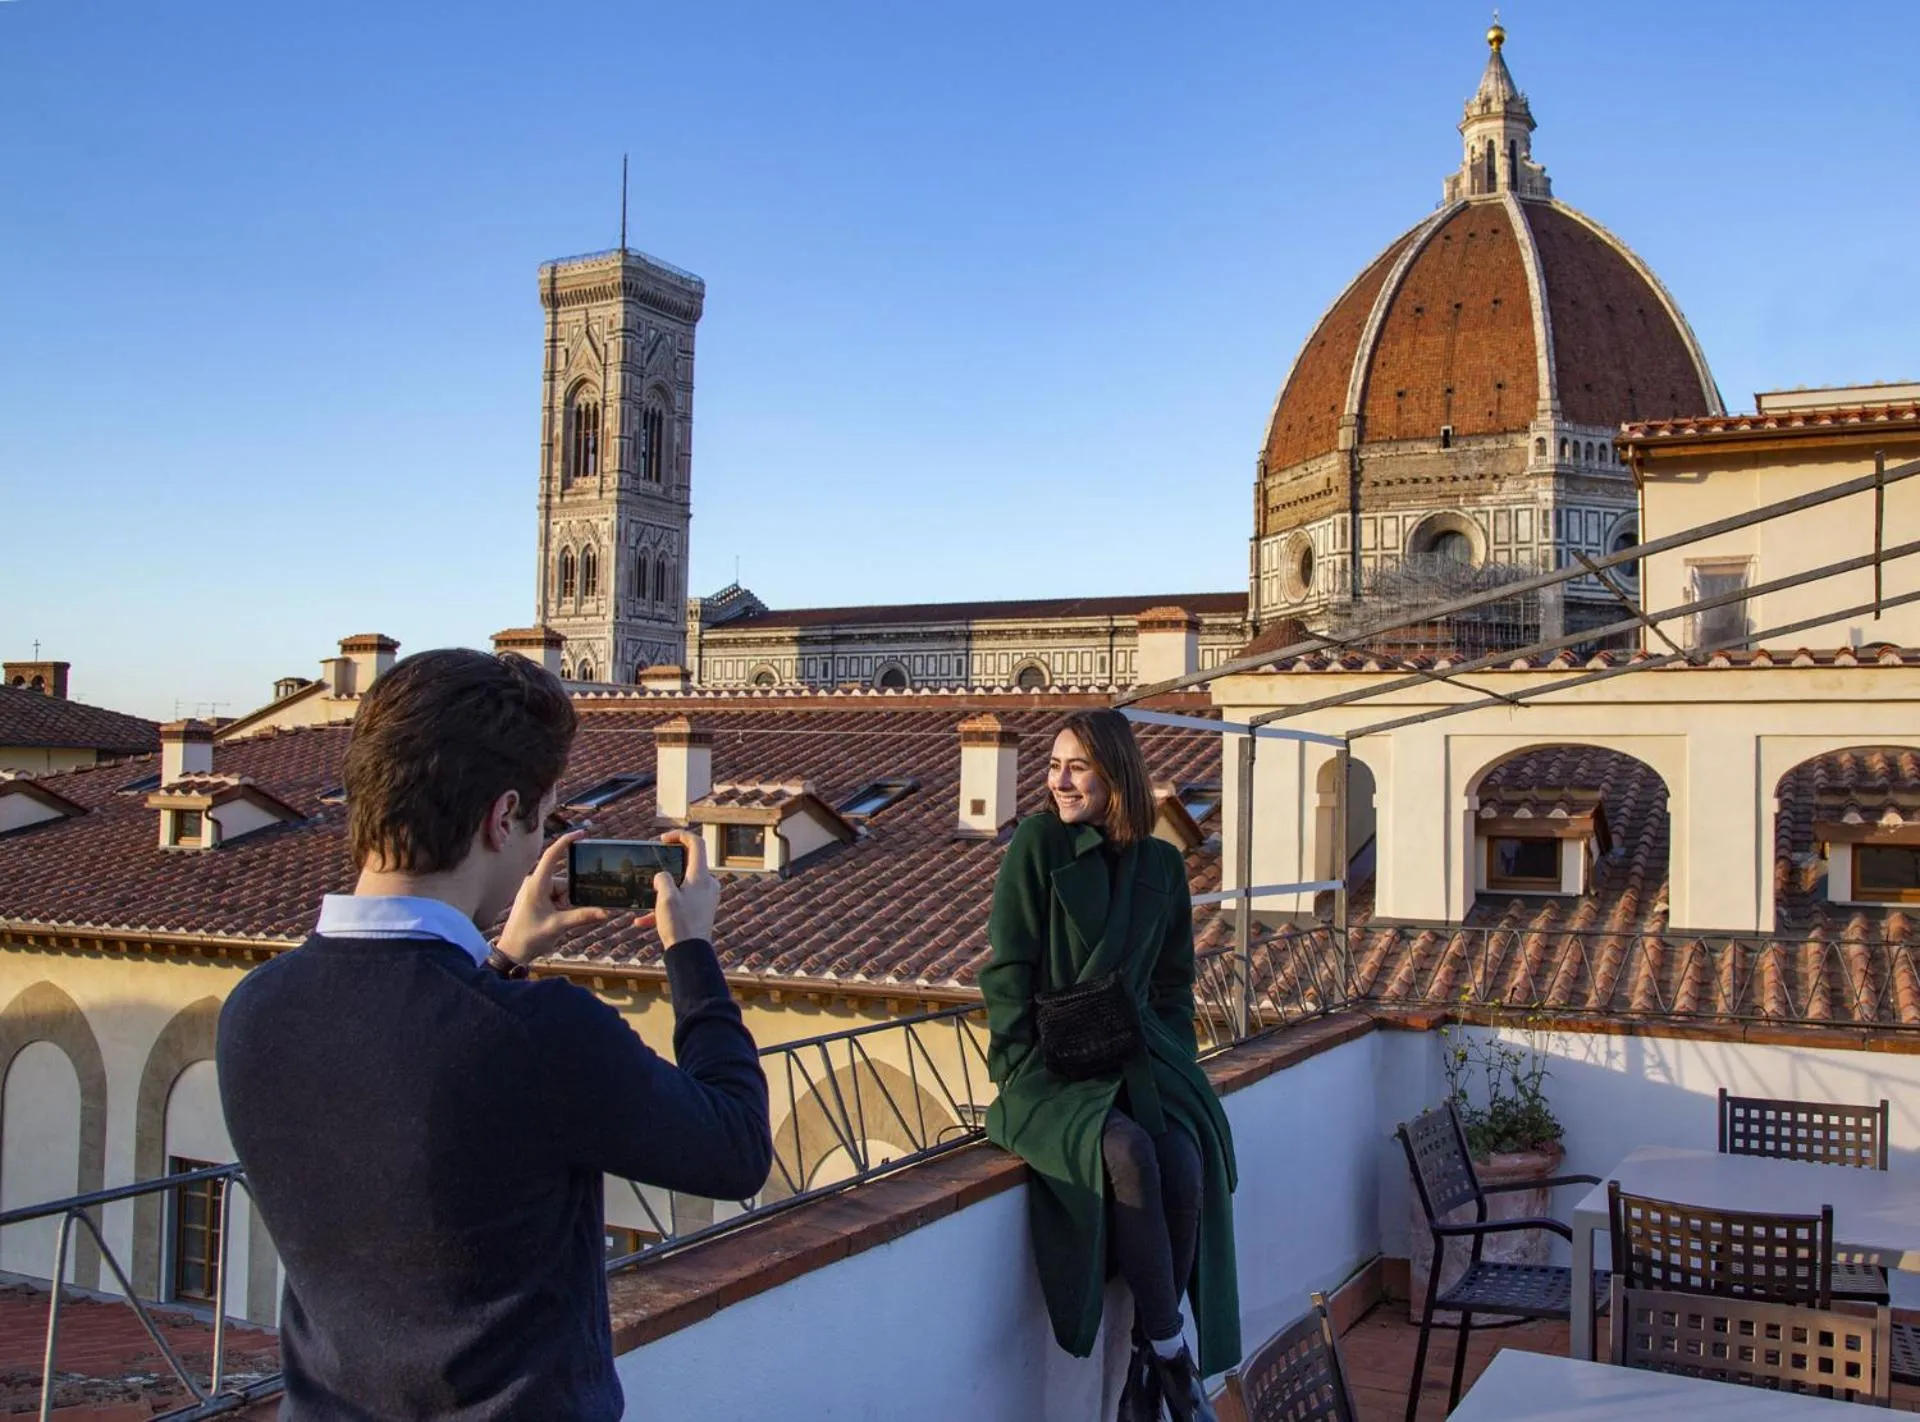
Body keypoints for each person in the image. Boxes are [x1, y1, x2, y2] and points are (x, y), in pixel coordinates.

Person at [217, 649, 772, 1421]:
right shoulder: (542, 1032)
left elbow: (410, 1060)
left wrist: (502, 954)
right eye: (540, 820)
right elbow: (736, 1147)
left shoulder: (253, 1010)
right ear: (502, 816)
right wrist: (692, 951)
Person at [981, 709, 1239, 1422]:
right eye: (1055, 765)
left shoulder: (1161, 864)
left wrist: (1174, 1056)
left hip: (1141, 1062)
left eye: (1078, 767)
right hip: (1048, 1071)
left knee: (1186, 1160)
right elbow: (1008, 969)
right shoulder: (1037, 845)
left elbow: (1172, 983)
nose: (1059, 781)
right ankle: (1171, 1358)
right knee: (1126, 1151)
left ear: (1115, 774)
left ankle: (1141, 1367)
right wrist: (1016, 1068)